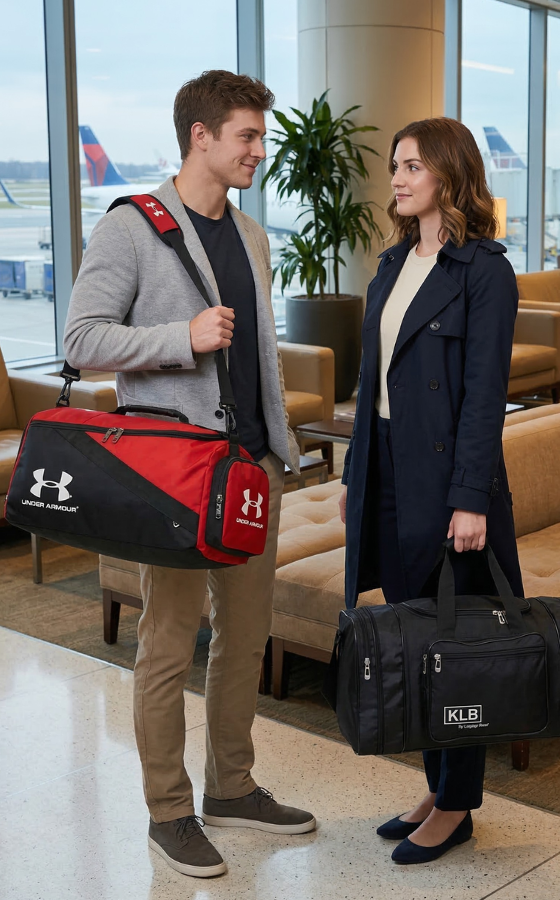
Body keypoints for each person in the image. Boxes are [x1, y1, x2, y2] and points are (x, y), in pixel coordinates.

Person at [64, 70, 315, 879]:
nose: (258, 151)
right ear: (200, 136)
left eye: (260, 136)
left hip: (251, 471)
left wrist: (283, 453)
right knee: (168, 646)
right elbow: (82, 342)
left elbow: (260, 358)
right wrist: (183, 335)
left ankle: (232, 789)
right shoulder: (131, 228)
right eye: (246, 135)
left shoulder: (250, 234)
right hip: (174, 476)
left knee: (244, 640)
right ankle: (168, 811)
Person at [339, 117, 524, 865]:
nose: (399, 179)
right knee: (417, 640)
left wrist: (470, 497)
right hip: (384, 469)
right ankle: (436, 785)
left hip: (446, 481)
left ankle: (456, 803)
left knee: (457, 643)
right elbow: (371, 379)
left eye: (413, 165)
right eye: (395, 167)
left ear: (449, 172)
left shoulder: (485, 271)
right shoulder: (390, 264)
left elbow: (484, 396)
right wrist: (356, 471)